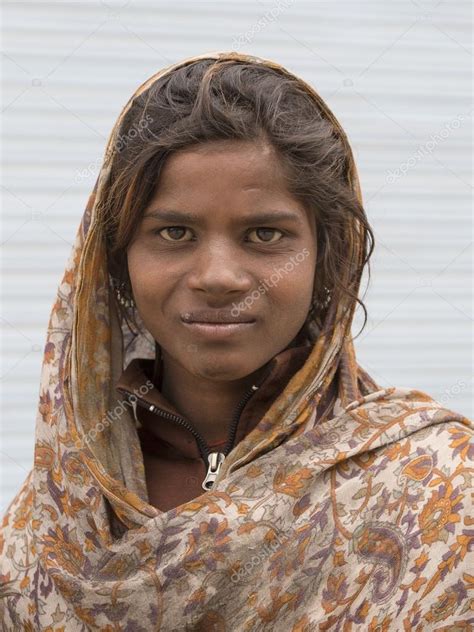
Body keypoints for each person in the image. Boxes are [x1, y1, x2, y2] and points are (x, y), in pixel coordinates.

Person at [0, 51, 472, 631]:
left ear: (330, 258)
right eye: (174, 232)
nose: (218, 276)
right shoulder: (57, 516)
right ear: (116, 260)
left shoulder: (435, 488)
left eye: (264, 234)